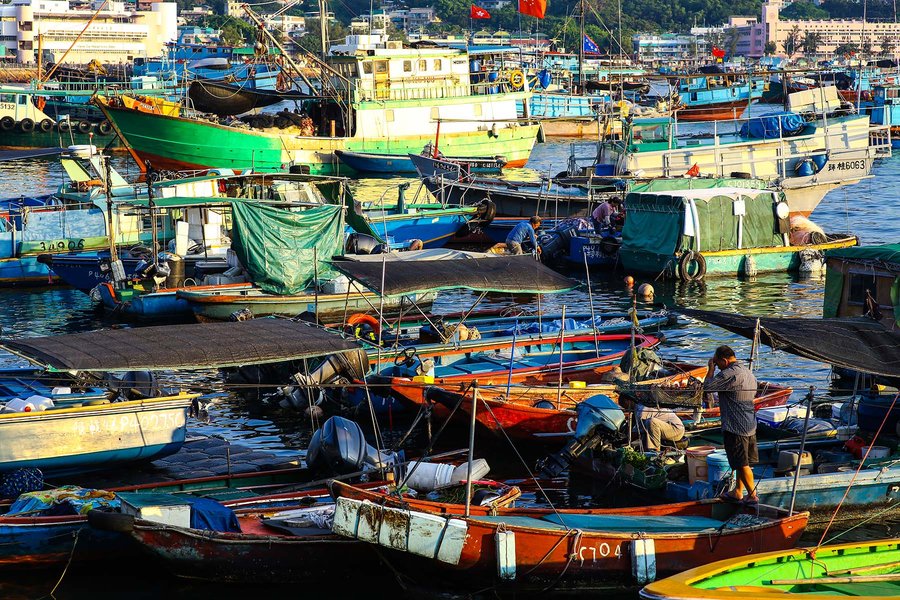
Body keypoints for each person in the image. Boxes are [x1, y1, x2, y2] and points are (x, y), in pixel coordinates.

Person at [704, 345, 759, 504]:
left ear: (724, 360)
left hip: (735, 426)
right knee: (741, 462)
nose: (717, 366)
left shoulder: (729, 373)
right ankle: (738, 491)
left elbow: (707, 387)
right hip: (750, 424)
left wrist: (710, 369)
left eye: (717, 362)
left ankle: (752, 495)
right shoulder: (748, 372)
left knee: (742, 464)